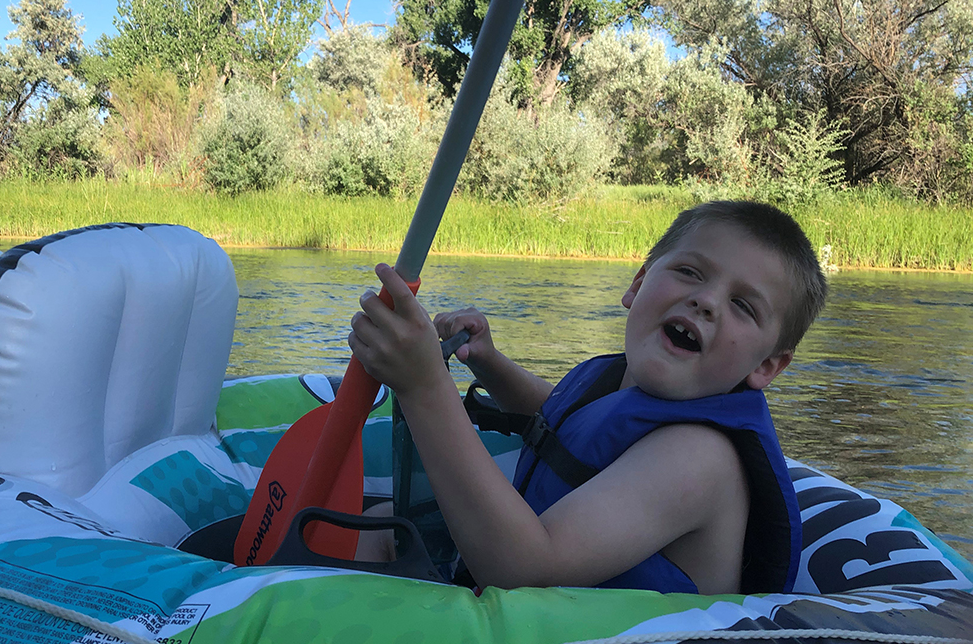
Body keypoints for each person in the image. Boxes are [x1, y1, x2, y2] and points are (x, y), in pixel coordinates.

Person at [348, 200, 827, 594]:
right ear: (637, 285)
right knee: (382, 523)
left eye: (742, 305)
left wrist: (425, 387)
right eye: (689, 272)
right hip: (524, 605)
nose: (706, 301)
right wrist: (489, 363)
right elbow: (560, 421)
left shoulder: (701, 458)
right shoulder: (623, 381)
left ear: (767, 366)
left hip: (555, 604)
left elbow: (525, 572)